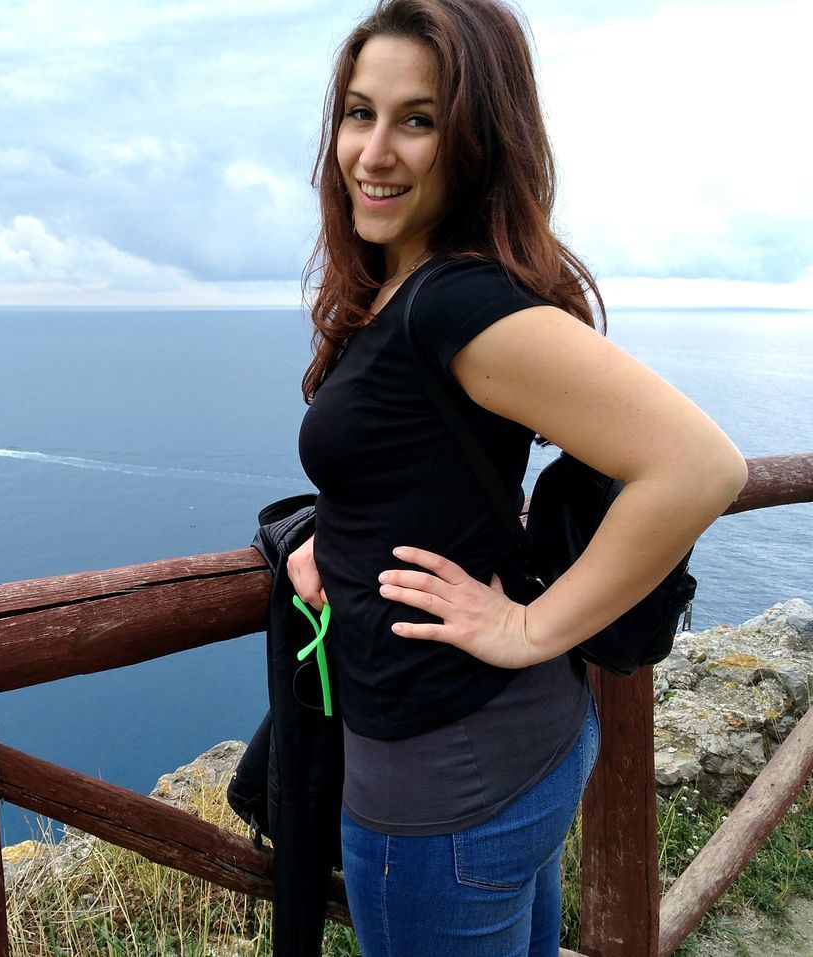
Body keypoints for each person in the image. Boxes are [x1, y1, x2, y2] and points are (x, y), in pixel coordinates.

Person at [285, 0, 749, 954]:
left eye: (418, 120)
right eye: (360, 113)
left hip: (445, 782)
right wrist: (324, 534)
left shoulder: (454, 301)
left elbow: (700, 465)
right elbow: (417, 459)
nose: (374, 151)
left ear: (479, 140)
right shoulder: (408, 291)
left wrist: (531, 625)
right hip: (512, 746)